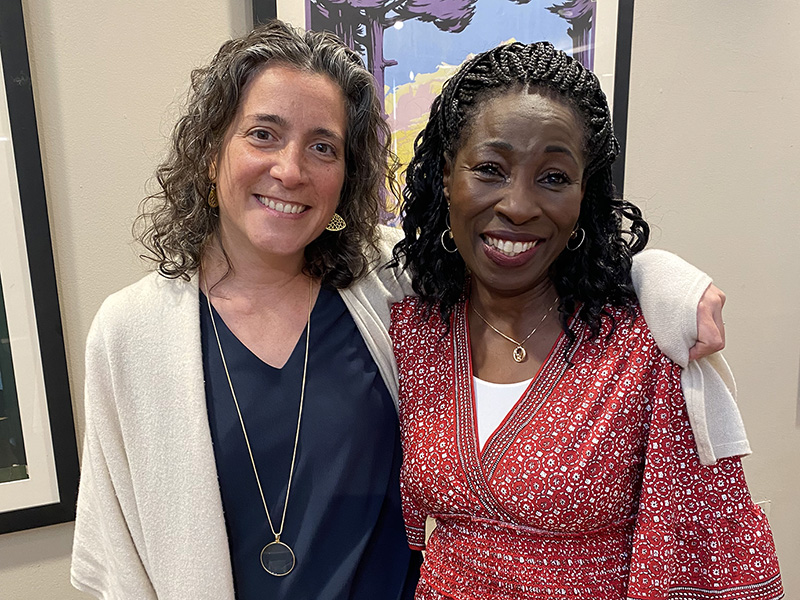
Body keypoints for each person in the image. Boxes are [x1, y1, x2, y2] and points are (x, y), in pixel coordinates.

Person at [71, 21, 731, 600]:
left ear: (347, 174)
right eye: (264, 135)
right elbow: (117, 555)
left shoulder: (388, 286)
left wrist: (665, 278)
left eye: (323, 146)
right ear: (213, 151)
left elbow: (523, 251)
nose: (292, 170)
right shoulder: (132, 334)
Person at [390, 41, 782, 599]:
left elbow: (702, 556)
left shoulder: (642, 348)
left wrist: (663, 279)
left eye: (553, 177)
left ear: (584, 198)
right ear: (445, 179)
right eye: (490, 169)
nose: (519, 205)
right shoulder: (416, 330)